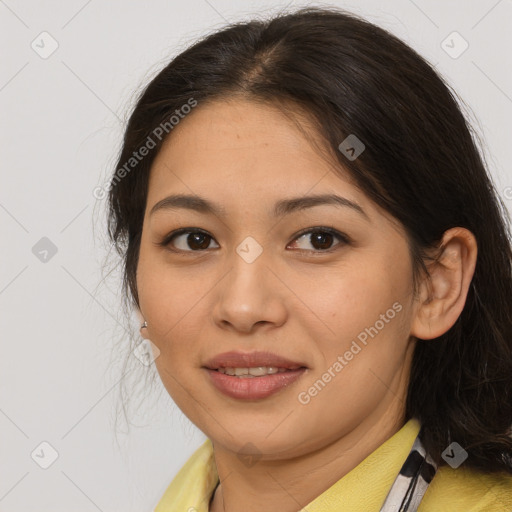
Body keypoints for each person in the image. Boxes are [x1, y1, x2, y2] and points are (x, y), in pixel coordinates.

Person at [105, 6, 512, 511]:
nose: (243, 306)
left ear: (436, 283)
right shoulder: (193, 492)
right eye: (193, 239)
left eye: (319, 239)